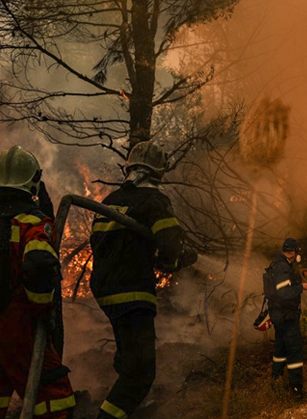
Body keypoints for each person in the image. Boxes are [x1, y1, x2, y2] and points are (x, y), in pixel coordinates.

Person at [0, 146, 75, 419]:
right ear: (33, 182)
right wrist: (42, 310)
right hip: (16, 322)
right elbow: (39, 264)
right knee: (52, 397)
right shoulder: (32, 224)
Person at [89, 141, 197, 419]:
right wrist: (175, 262)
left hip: (105, 291)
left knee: (130, 361)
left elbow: (104, 246)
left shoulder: (110, 201)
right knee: (140, 375)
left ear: (129, 168)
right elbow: (169, 247)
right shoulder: (154, 200)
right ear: (158, 172)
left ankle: (125, 404)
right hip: (133, 292)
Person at [263, 237, 307, 400]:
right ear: (292, 252)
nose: (295, 255)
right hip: (287, 317)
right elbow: (284, 292)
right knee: (295, 351)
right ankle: (297, 391)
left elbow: (288, 281)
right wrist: (301, 287)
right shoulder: (282, 267)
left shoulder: (280, 264)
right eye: (295, 252)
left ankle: (276, 382)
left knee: (281, 350)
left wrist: (304, 273)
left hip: (280, 316)